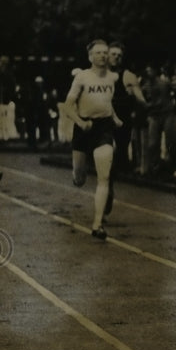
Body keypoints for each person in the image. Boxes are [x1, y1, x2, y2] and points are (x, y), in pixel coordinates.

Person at [63, 39, 121, 241]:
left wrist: (114, 118)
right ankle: (77, 174)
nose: (103, 56)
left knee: (103, 177)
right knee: (79, 179)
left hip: (103, 128)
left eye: (105, 52)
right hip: (83, 128)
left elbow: (107, 103)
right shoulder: (81, 77)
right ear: (90, 57)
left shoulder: (112, 78)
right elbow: (68, 107)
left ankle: (97, 224)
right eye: (98, 53)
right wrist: (80, 122)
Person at [107, 42, 148, 217]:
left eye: (119, 55)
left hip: (122, 125)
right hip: (105, 122)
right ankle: (106, 188)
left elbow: (142, 101)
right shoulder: (98, 75)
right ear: (107, 55)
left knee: (116, 158)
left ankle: (108, 183)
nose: (116, 57)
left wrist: (136, 97)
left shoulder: (128, 76)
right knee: (108, 153)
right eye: (113, 54)